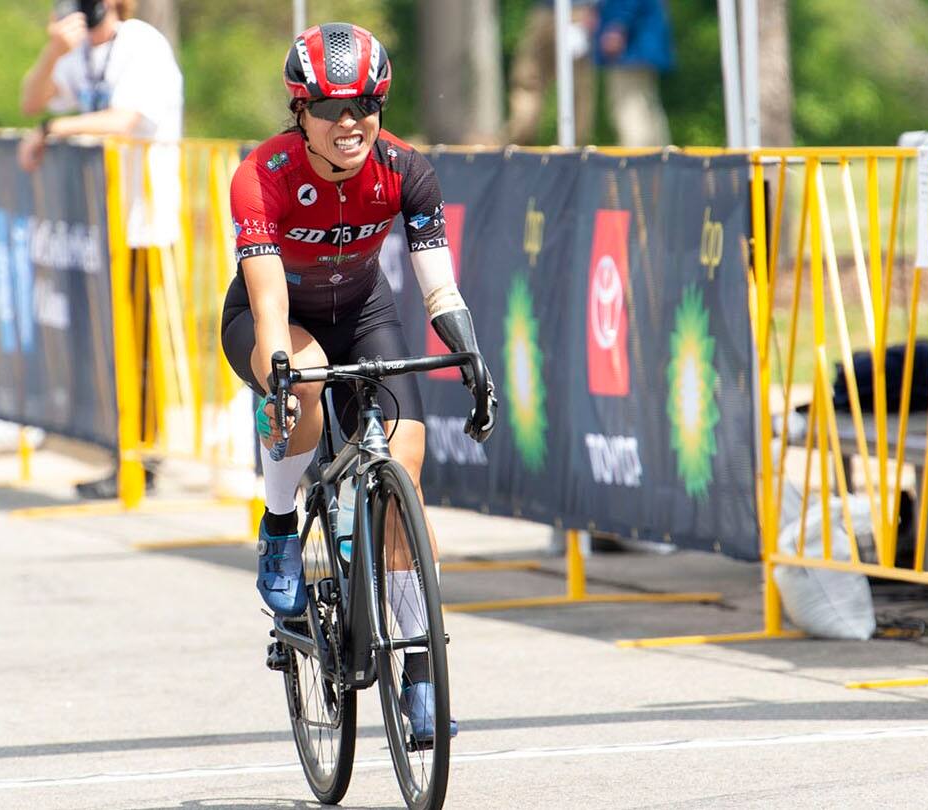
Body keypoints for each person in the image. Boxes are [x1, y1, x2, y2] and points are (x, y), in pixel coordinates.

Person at [223, 23, 496, 742]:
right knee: (305, 384)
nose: (350, 124)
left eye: (364, 107)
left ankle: (421, 677)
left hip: (365, 314)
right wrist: (280, 362)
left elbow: (439, 287)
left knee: (404, 466)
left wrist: (468, 354)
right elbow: (268, 293)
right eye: (329, 109)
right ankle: (281, 526)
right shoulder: (264, 174)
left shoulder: (407, 170)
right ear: (299, 113)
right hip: (276, 315)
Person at [18, 0, 183, 499]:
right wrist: (52, 51)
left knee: (142, 349)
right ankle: (125, 456)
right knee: (116, 345)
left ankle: (142, 460)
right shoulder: (80, 53)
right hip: (107, 222)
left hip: (146, 218)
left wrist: (55, 129)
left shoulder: (141, 43)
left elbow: (127, 118)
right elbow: (31, 100)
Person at [506, 0, 598, 145]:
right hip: (577, 13)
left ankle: (519, 140)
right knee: (577, 89)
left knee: (530, 83)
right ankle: (573, 150)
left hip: (547, 13)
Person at [594, 0, 673, 148]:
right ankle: (661, 160)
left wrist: (617, 26)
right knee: (648, 107)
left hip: (631, 48)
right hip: (645, 42)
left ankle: (635, 162)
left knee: (629, 108)